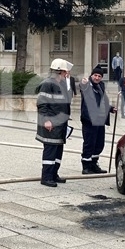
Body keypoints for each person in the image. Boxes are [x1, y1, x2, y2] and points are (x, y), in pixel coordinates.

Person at [35, 59, 73, 187]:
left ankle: (54, 174)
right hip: (51, 123)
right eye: (65, 72)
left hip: (60, 124)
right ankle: (46, 177)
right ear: (60, 71)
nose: (67, 74)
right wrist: (46, 120)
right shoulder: (47, 84)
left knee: (58, 150)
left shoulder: (61, 84)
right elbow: (42, 103)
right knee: (50, 150)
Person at [79, 66, 116, 174]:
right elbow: (83, 87)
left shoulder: (101, 86)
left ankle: (94, 164)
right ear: (91, 75)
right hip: (89, 119)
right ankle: (86, 166)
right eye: (95, 75)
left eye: (99, 76)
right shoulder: (87, 84)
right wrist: (84, 83)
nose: (97, 77)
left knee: (99, 143)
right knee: (89, 143)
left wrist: (110, 108)